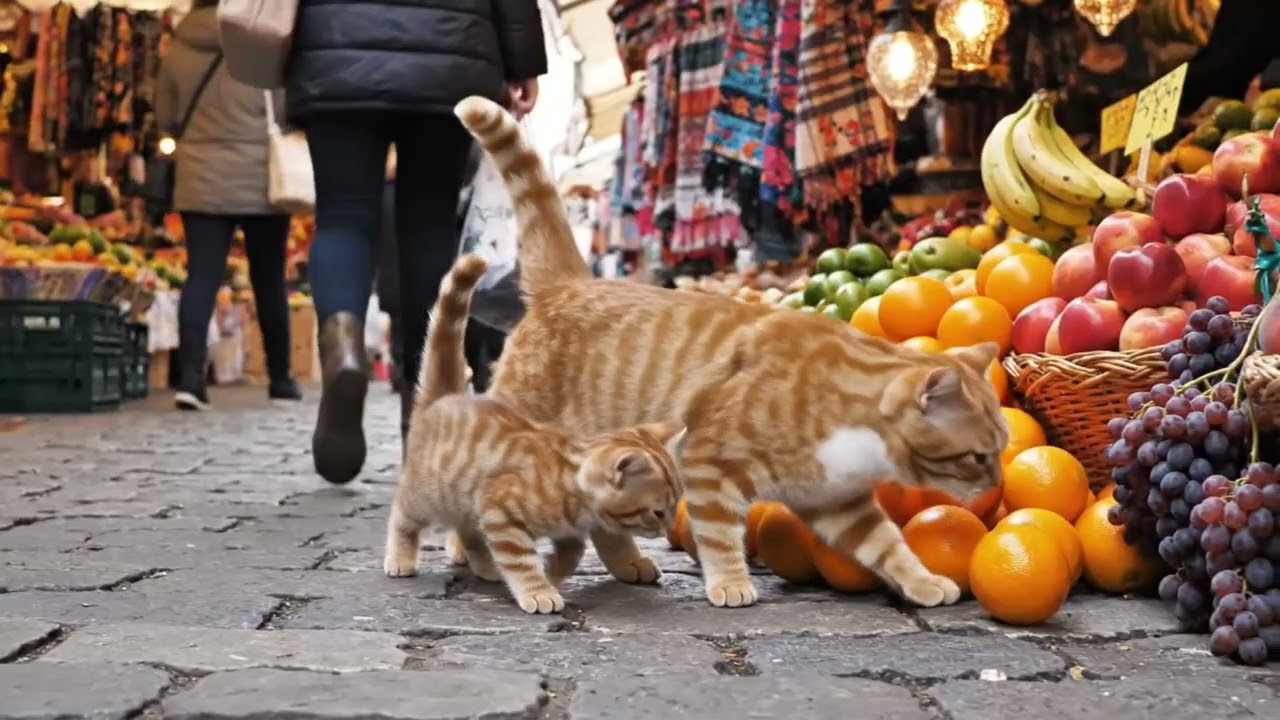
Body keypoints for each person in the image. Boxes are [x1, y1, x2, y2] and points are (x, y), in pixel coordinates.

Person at [287, 0, 547, 485]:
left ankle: (343, 345)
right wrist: (523, 60)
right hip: (452, 49)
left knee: (342, 216)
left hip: (337, 42)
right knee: (430, 223)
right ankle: (425, 413)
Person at [156, 0, 300, 410]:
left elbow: (166, 116)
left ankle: (190, 380)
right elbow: (289, 109)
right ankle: (281, 379)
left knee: (201, 277)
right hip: (262, 178)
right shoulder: (265, 39)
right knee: (269, 281)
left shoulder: (180, 45)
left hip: (200, 175)